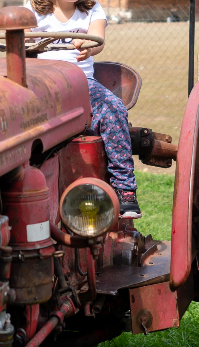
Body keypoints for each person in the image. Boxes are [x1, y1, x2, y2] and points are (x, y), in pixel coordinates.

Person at [25, 0, 140, 217]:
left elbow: (98, 40)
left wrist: (89, 46)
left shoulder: (92, 9)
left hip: (80, 83)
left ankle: (125, 188)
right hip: (43, 84)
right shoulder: (33, 9)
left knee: (113, 108)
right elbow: (23, 37)